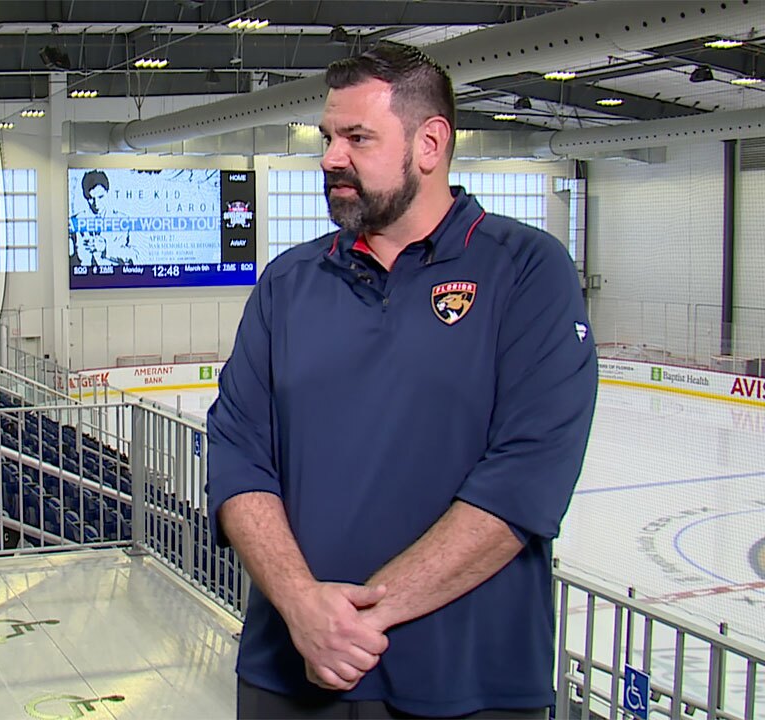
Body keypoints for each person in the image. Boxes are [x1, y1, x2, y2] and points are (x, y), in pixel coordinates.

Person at [207, 43, 597, 719]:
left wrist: (355, 623)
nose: (331, 157)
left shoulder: (527, 272)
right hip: (290, 673)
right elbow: (237, 454)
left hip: (469, 685)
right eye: (328, 137)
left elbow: (526, 479)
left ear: (430, 144)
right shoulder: (288, 283)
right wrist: (301, 607)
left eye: (358, 138)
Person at [69, 170, 142, 266]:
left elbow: (136, 256)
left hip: (118, 275)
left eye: (100, 197)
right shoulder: (75, 221)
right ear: (85, 196)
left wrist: (106, 248)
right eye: (91, 198)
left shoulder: (124, 221)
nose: (96, 204)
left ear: (108, 193)